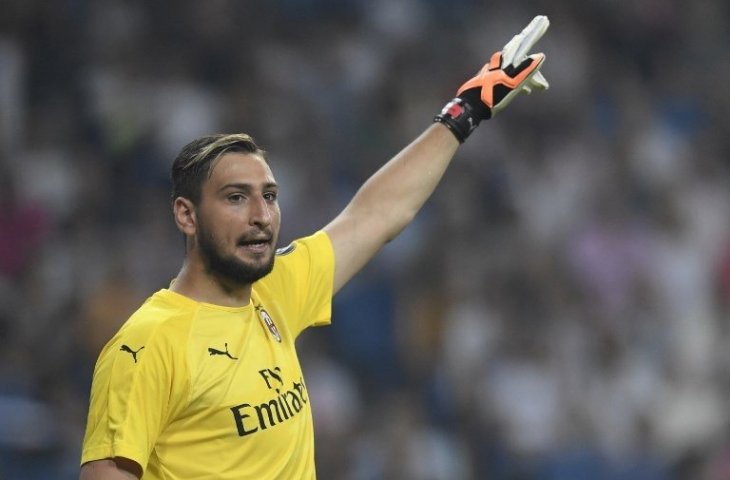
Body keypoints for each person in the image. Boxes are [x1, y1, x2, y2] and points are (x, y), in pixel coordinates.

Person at [79, 15, 551, 480]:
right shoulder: (146, 344)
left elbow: (374, 215)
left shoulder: (275, 290)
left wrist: (466, 110)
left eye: (269, 196)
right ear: (186, 215)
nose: (261, 215)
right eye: (236, 198)